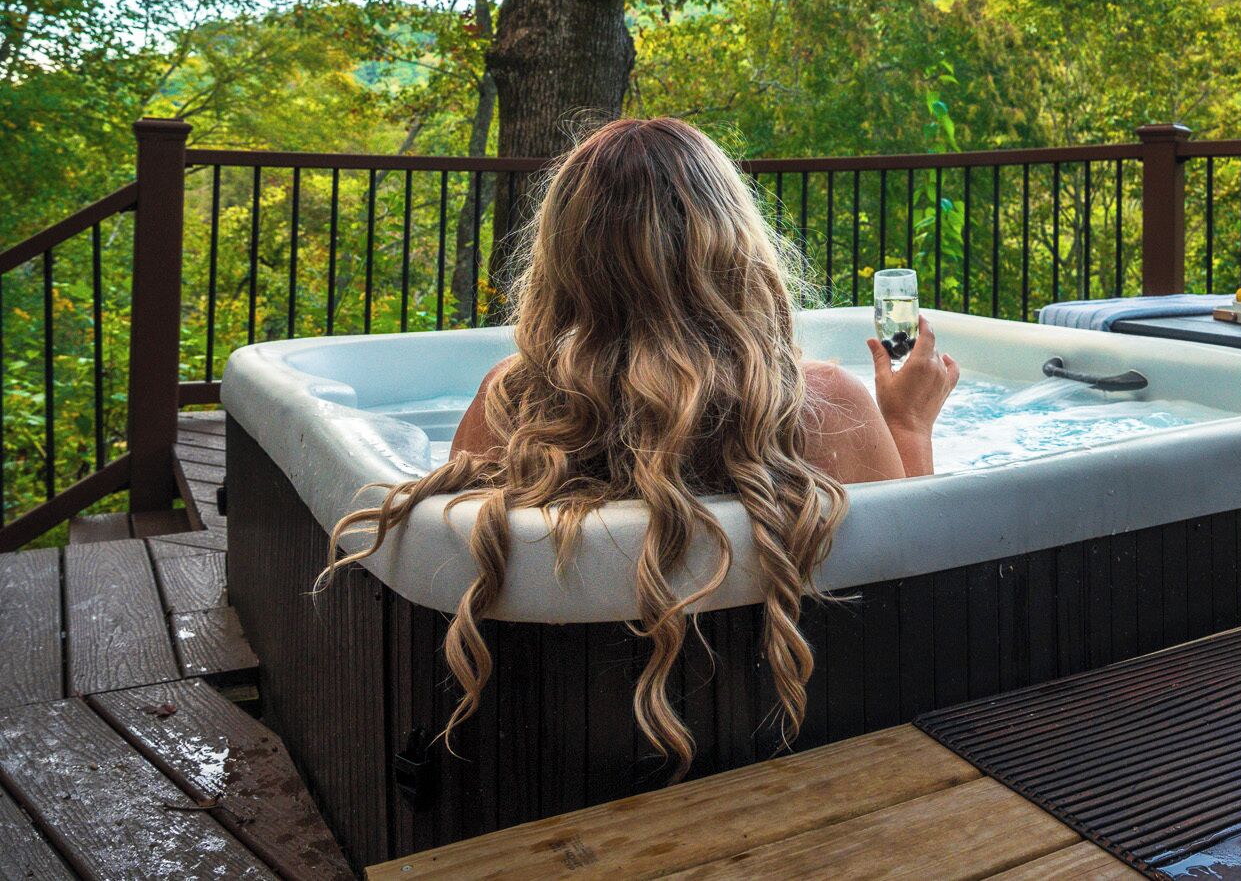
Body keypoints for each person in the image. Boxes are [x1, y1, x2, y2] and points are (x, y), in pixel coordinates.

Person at [318, 117, 958, 768]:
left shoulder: (509, 405)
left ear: (562, 261)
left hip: (561, 767)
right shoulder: (824, 407)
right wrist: (909, 427)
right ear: (738, 250)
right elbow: (916, 603)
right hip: (804, 754)